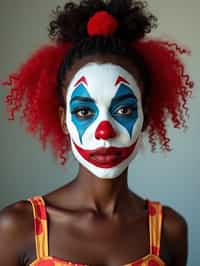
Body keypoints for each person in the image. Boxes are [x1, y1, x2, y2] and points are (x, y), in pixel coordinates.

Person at [0, 0, 194, 265]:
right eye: (83, 112)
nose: (104, 131)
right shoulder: (15, 227)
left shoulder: (170, 229)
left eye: (124, 110)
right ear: (64, 121)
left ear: (145, 117)